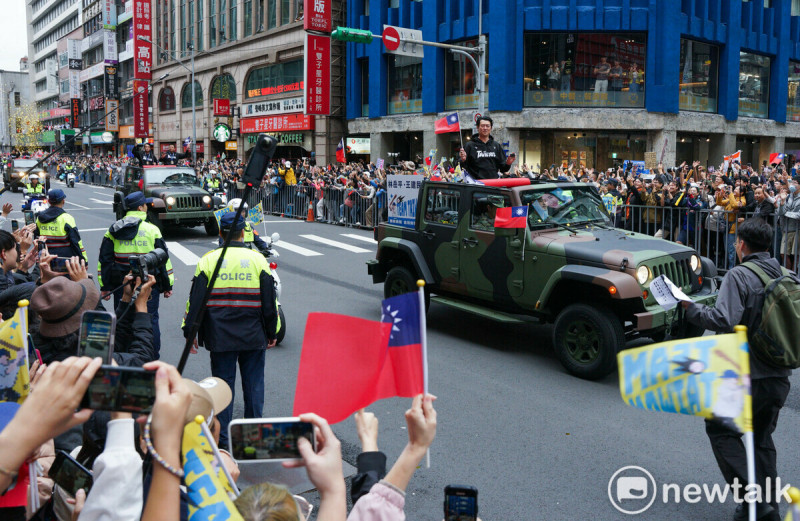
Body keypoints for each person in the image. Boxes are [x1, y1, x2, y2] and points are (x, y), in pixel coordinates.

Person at [682, 219, 792, 521]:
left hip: (743, 374)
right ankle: (767, 507)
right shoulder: (787, 274)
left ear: (742, 244)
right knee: (761, 440)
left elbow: (723, 319)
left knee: (719, 429)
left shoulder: (738, 275)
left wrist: (691, 309)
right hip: (778, 376)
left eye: (736, 242)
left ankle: (754, 500)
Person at [183, 212, 279, 449]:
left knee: (223, 390)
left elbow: (195, 302)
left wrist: (190, 332)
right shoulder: (258, 260)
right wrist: (272, 332)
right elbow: (270, 303)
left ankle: (223, 442)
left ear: (220, 232)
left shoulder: (208, 260)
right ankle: (253, 441)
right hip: (253, 335)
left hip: (220, 337)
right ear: (244, 232)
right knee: (254, 387)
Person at [98, 191, 174, 357]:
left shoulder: (113, 230)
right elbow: (162, 261)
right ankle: (151, 356)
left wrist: (105, 286)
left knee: (123, 318)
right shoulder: (152, 230)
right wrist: (167, 286)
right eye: (145, 205)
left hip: (122, 286)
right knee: (149, 319)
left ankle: (124, 355)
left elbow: (104, 261)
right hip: (148, 285)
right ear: (141, 207)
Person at [34, 189, 88, 262]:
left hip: (45, 259)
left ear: (49, 201)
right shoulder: (67, 218)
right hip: (64, 261)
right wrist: (83, 260)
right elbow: (76, 242)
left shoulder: (39, 218)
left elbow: (37, 240)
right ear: (63, 201)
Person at [458, 116, 514, 181]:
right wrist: (463, 160)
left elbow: (503, 169)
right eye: (482, 126)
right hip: (476, 184)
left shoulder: (496, 145)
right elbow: (459, 166)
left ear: (491, 128)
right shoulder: (469, 145)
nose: (485, 128)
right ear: (477, 127)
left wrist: (508, 163)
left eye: (487, 126)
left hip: (493, 184)